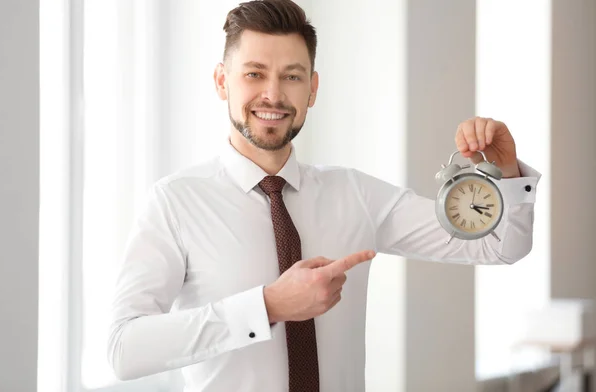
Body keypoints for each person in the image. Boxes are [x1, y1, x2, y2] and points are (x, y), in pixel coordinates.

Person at [107, 0, 541, 391]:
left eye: (291, 76)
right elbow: (124, 350)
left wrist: (505, 172)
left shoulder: (355, 194)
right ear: (223, 81)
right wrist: (268, 306)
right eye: (254, 73)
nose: (273, 94)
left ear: (312, 89)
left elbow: (499, 247)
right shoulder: (175, 204)